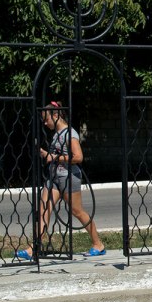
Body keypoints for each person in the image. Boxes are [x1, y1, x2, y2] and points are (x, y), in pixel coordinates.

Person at [15, 101, 105, 260]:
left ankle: (98, 244)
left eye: (46, 119)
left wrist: (54, 157)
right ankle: (33, 248)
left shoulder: (70, 133)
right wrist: (45, 154)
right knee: (43, 211)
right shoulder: (57, 134)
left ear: (56, 116)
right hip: (54, 178)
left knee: (77, 212)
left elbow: (78, 157)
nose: (44, 122)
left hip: (69, 178)